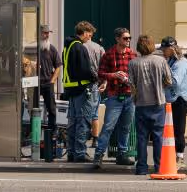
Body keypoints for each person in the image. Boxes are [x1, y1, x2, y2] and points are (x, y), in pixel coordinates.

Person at [92, 27, 137, 168]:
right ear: (117, 39)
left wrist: (129, 78)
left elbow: (137, 74)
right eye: (125, 38)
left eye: (129, 38)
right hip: (114, 96)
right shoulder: (109, 55)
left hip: (129, 96)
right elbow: (100, 73)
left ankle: (122, 154)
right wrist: (114, 75)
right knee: (108, 127)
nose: (128, 40)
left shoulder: (133, 55)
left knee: (126, 127)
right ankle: (98, 155)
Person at [128, 35, 172, 176]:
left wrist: (135, 96)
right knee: (158, 136)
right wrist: (160, 86)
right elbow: (169, 80)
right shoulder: (161, 61)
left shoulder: (133, 63)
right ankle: (159, 166)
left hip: (141, 103)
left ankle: (141, 167)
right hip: (158, 102)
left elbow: (131, 84)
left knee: (142, 137)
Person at [62, 20, 99, 162]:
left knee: (73, 122)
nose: (90, 37)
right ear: (83, 33)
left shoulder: (68, 46)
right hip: (82, 89)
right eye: (89, 34)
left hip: (71, 89)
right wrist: (95, 77)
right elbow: (84, 70)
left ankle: (71, 152)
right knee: (83, 121)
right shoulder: (80, 47)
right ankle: (80, 153)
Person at [161, 37, 187, 166]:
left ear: (172, 49)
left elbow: (175, 82)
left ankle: (180, 156)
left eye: (164, 49)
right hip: (171, 98)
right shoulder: (170, 60)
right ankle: (172, 155)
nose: (163, 51)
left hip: (179, 99)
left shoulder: (181, 62)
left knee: (178, 128)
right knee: (170, 129)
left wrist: (162, 78)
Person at [37, 24, 61, 132]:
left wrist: (52, 81)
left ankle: (52, 130)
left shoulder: (52, 49)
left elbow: (58, 66)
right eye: (45, 33)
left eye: (48, 33)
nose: (47, 35)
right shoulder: (34, 48)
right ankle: (33, 130)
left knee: (51, 108)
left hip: (48, 83)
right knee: (33, 108)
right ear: (39, 34)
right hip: (35, 84)